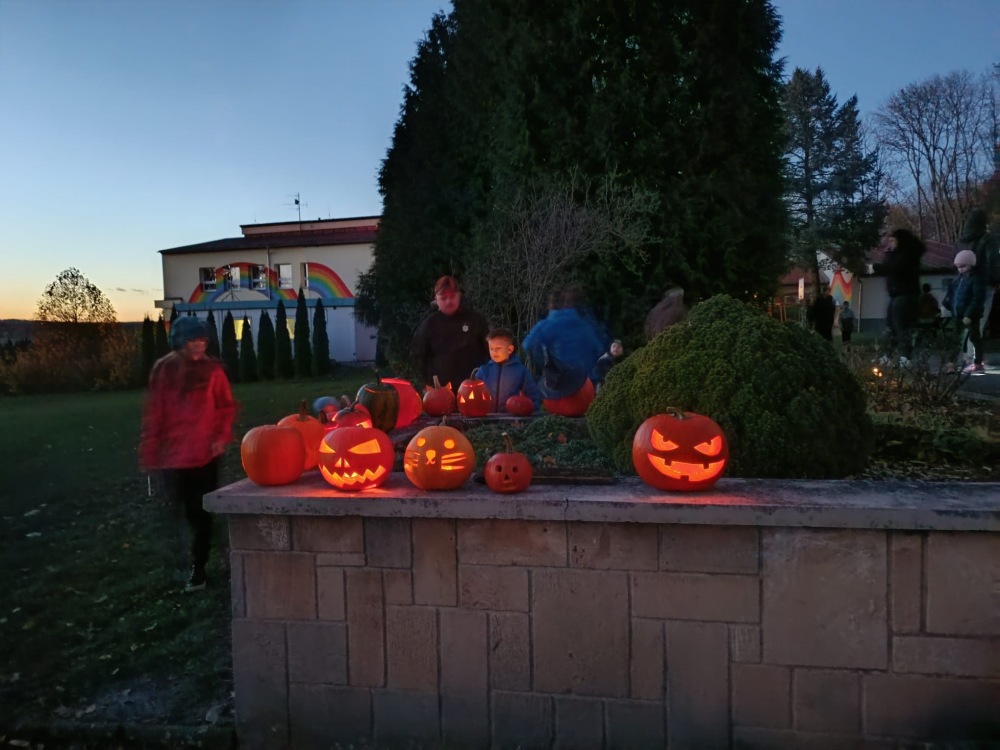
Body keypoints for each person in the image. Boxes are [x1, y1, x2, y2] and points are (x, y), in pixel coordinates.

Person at [140, 315, 239, 592]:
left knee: (201, 512)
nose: (198, 345)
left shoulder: (212, 371)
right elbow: (155, 413)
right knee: (181, 512)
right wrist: (150, 452)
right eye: (192, 340)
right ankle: (181, 561)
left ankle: (200, 566)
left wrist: (220, 437)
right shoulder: (164, 370)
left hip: (204, 455)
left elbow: (226, 406)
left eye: (202, 340)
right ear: (180, 342)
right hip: (172, 457)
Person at [522, 285, 605, 400]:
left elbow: (528, 345)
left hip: (560, 387)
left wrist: (544, 364)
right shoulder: (587, 325)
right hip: (588, 385)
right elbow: (600, 349)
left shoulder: (548, 324)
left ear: (551, 305)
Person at [412, 275, 489, 393]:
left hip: (473, 389)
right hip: (441, 392)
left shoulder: (475, 320)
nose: (448, 302)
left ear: (459, 296)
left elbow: (488, 352)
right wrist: (426, 384)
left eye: (452, 296)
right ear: (436, 299)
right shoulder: (429, 325)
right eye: (443, 298)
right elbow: (420, 357)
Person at [873, 228, 925, 363]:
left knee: (901, 326)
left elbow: (893, 268)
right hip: (896, 294)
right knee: (891, 325)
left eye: (892, 241)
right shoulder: (897, 255)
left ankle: (905, 356)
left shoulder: (907, 256)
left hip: (905, 294)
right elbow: (888, 267)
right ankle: (888, 355)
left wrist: (876, 267)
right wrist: (888, 254)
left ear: (900, 241)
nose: (889, 243)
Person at [474, 328, 541, 413]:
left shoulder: (520, 371)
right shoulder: (483, 371)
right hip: (487, 417)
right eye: (491, 349)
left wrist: (530, 414)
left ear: (510, 349)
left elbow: (532, 397)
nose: (494, 352)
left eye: (498, 348)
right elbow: (474, 396)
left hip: (512, 418)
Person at [942, 249, 987, 374]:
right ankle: (951, 363)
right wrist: (946, 305)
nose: (960, 269)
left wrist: (969, 314)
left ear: (971, 264)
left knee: (974, 338)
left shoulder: (976, 279)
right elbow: (952, 295)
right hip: (958, 314)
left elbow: (978, 298)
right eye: (958, 267)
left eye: (963, 266)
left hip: (970, 316)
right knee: (956, 339)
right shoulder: (958, 279)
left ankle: (978, 362)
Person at [959, 207, 997, 341]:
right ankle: (973, 352)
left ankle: (964, 351)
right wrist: (995, 280)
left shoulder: (962, 241)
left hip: (964, 284)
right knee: (979, 321)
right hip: (983, 284)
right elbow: (993, 261)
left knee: (967, 320)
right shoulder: (988, 239)